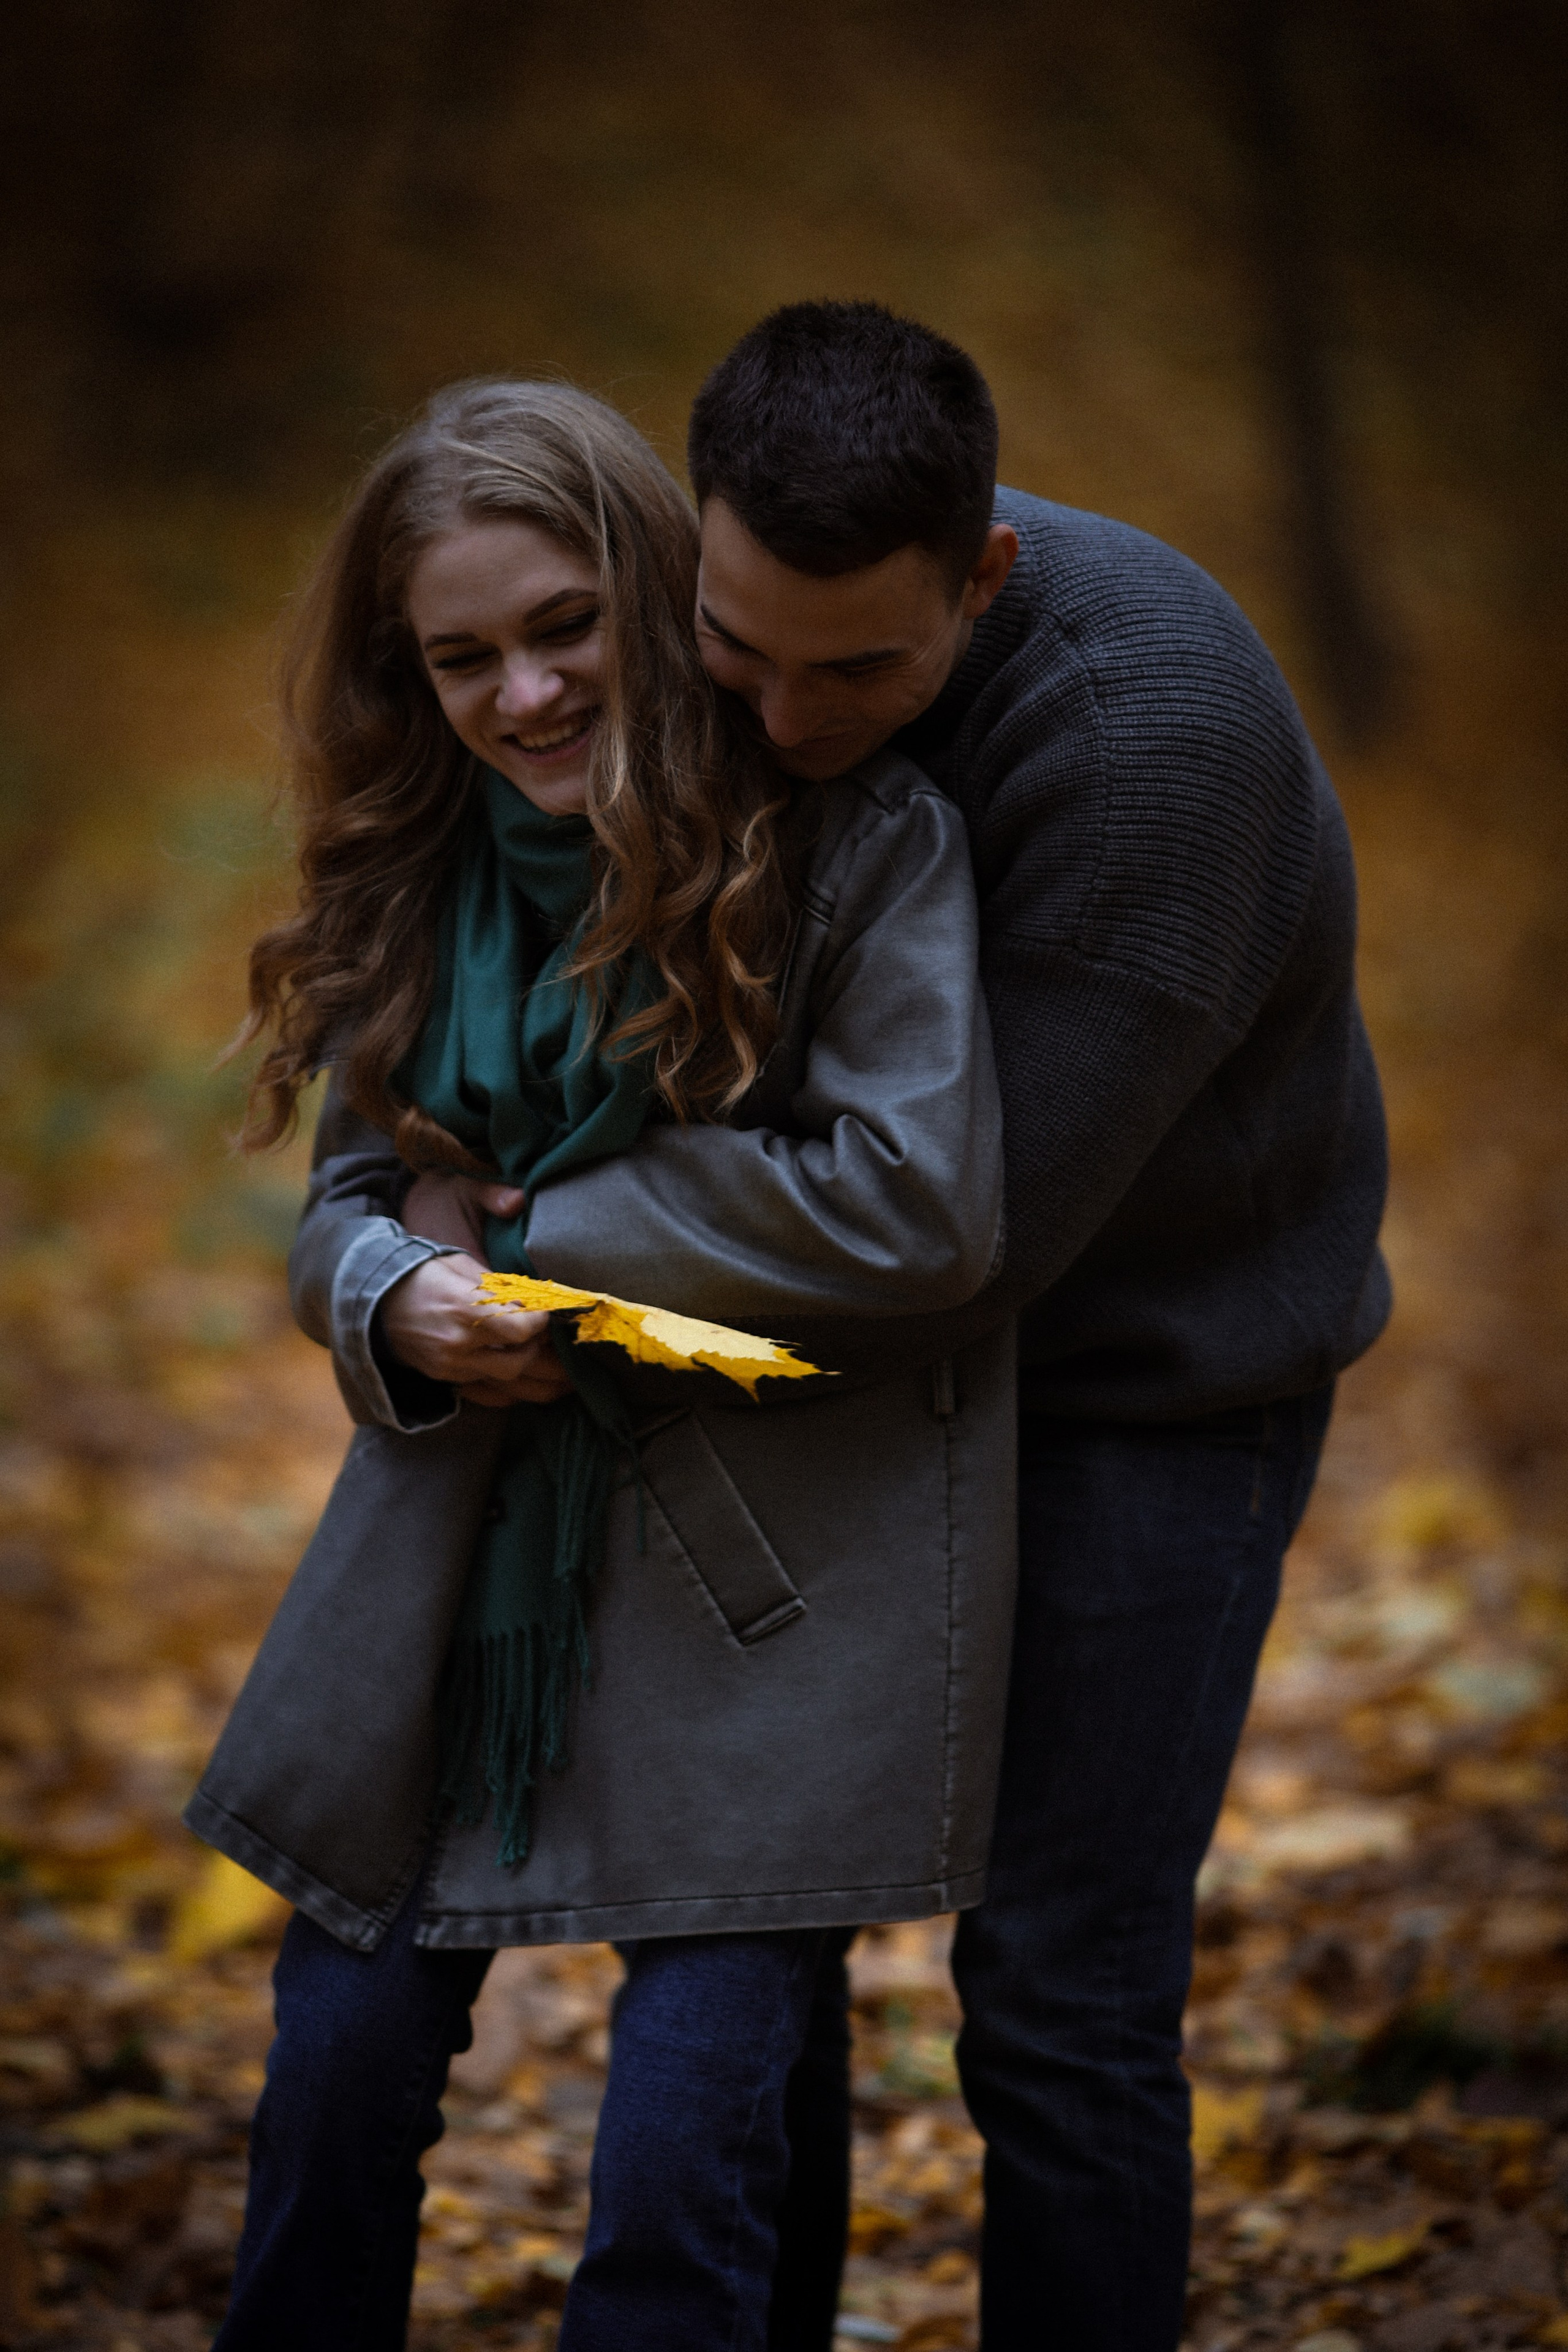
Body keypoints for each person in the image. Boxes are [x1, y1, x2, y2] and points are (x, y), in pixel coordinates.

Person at [429, 302, 1388, 2350]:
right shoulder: (710, 633)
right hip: (820, 1363)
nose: (779, 721)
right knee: (750, 1942)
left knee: (1059, 1981)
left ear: (988, 574)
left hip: (1148, 1391)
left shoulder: (1155, 750)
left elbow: (958, 1240)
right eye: (737, 651)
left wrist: (548, 1232)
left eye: (859, 669)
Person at [187, 377, 1018, 2351]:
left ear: (653, 594)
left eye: (565, 628)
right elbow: (357, 1206)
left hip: (769, 1587)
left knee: (683, 2162)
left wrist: (546, 1243)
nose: (527, 695)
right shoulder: (422, 866)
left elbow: (919, 1204)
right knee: (334, 2075)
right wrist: (396, 1295)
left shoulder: (855, 845)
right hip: (459, 1571)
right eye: (462, 655)